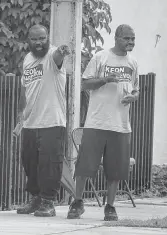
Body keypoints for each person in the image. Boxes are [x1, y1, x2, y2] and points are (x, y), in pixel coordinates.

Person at [67, 24, 139, 221]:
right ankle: (78, 202)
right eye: (127, 38)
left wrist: (134, 96)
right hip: (96, 122)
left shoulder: (133, 63)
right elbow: (85, 83)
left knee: (115, 169)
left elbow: (136, 89)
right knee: (85, 166)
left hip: (120, 125)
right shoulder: (100, 57)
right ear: (116, 38)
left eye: (133, 39)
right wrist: (106, 79)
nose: (130, 42)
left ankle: (110, 206)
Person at [16, 24, 71, 217]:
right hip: (30, 122)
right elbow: (25, 89)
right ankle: (35, 199)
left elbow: (58, 57)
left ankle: (48, 202)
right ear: (28, 40)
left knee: (50, 164)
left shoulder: (53, 55)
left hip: (52, 122)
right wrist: (20, 116)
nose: (39, 42)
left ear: (47, 37)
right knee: (30, 162)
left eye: (42, 38)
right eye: (34, 39)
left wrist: (62, 51)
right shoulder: (28, 60)